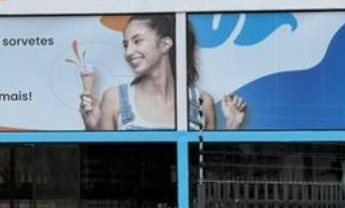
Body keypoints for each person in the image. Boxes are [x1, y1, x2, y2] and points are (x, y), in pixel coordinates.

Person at [75, 15, 246, 131]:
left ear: (165, 44)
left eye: (137, 41)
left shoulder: (202, 102)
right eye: (126, 44)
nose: (128, 52)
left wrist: (232, 127)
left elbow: (207, 166)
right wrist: (91, 127)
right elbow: (103, 166)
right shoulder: (114, 98)